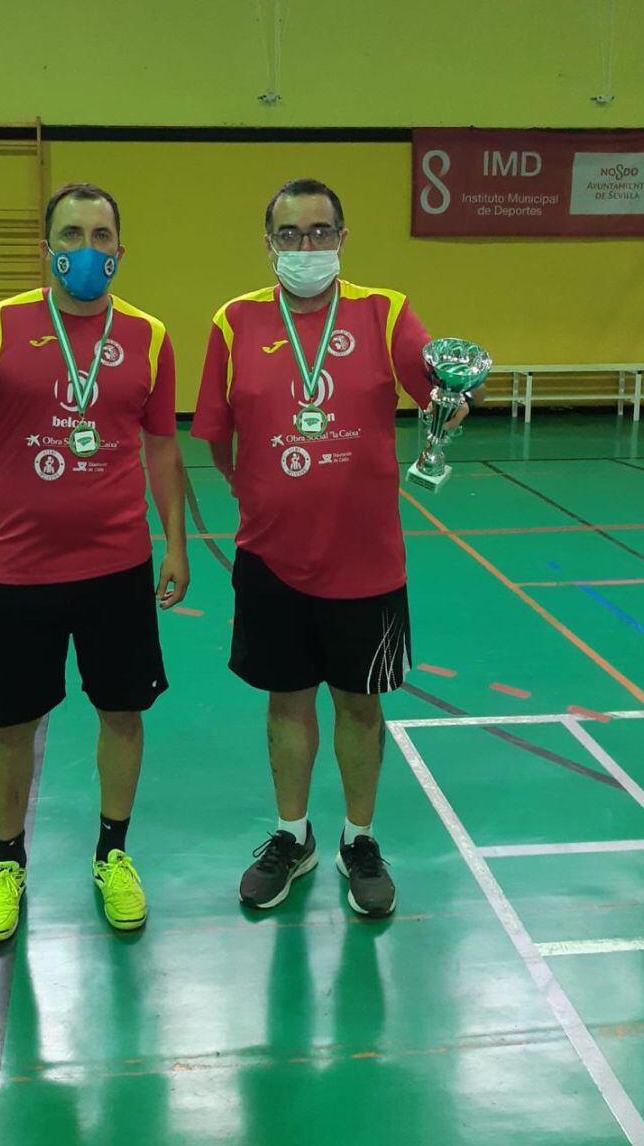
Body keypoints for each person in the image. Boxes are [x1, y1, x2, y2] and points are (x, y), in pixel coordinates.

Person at [192, 178, 470, 919]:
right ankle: (292, 835)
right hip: (271, 557)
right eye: (290, 234)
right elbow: (217, 439)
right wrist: (262, 493)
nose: (305, 247)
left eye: (320, 233)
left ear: (343, 241)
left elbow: (435, 392)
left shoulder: (386, 313)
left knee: (360, 702)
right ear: (269, 243)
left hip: (366, 561)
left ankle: (359, 839)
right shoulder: (235, 321)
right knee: (287, 700)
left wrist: (453, 399)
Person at [0, 183, 188, 942]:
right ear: (47, 244)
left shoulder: (148, 335)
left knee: (123, 712)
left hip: (117, 566)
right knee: (12, 723)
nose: (87, 249)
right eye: (72, 233)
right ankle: (7, 863)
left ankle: (113, 853)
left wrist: (175, 540)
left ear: (120, 247)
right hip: (18, 568)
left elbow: (162, 444)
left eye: (101, 235)